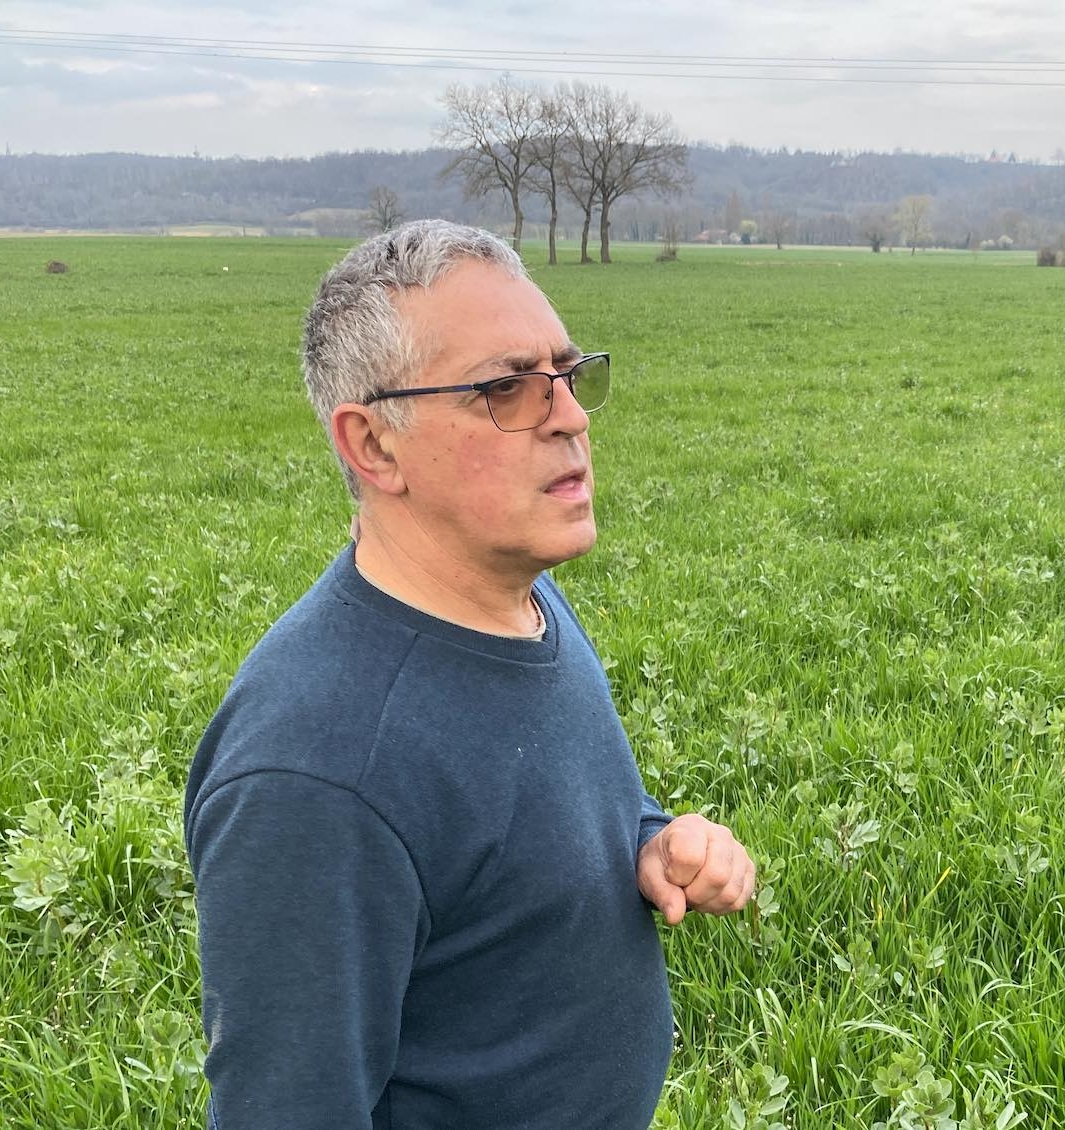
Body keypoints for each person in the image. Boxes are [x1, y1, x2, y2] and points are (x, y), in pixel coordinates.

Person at [184, 220, 754, 1129]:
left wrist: (648, 842)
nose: (568, 413)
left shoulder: (514, 598)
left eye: (568, 375)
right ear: (374, 446)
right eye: (506, 389)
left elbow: (511, 824)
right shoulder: (318, 772)